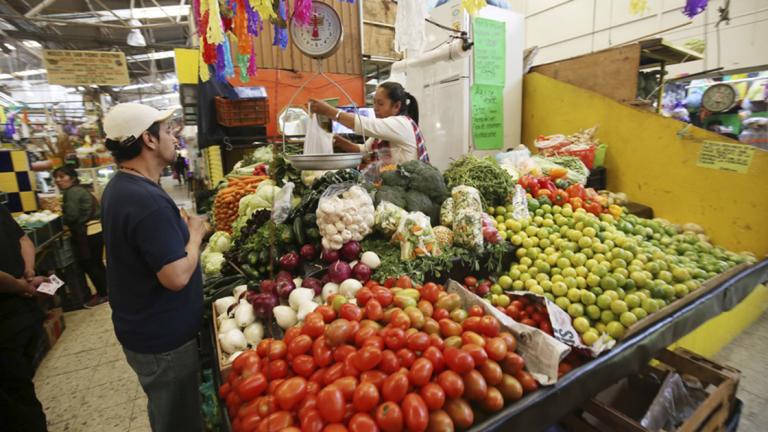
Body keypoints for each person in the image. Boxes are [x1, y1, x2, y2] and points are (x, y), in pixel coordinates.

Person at [101, 103, 209, 432]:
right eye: (166, 130)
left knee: (168, 412)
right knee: (179, 421)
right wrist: (194, 236)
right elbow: (175, 277)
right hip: (164, 341)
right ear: (148, 139)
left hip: (146, 330)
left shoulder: (123, 186)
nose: (174, 136)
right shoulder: (144, 200)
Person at [0, 203, 49, 432]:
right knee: (21, 386)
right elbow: (24, 240)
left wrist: (20, 285)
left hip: (7, 316)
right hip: (25, 312)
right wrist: (28, 273)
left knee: (15, 399)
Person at [308, 81, 429, 170]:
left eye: (380, 104)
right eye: (374, 102)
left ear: (396, 106)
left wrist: (329, 111)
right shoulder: (383, 131)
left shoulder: (402, 124)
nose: (375, 108)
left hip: (408, 190)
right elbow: (363, 150)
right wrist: (339, 141)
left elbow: (364, 124)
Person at [53, 165, 108, 309]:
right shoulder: (80, 189)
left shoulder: (71, 193)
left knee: (90, 264)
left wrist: (61, 218)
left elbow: (72, 215)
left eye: (62, 176)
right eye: (56, 177)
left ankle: (104, 294)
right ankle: (109, 291)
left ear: (71, 178)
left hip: (88, 233)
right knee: (97, 263)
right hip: (97, 230)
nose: (58, 180)